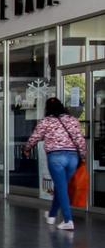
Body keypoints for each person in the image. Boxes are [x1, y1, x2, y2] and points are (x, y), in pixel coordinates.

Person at [23, 97, 86, 231]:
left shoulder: (45, 122)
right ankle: (51, 215)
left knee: (61, 188)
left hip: (56, 157)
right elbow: (80, 139)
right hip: (72, 158)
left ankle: (68, 220)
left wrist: (27, 149)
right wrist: (83, 155)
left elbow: (34, 137)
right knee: (61, 187)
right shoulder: (72, 120)